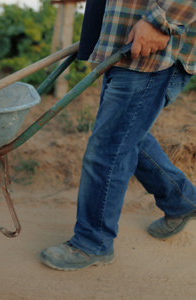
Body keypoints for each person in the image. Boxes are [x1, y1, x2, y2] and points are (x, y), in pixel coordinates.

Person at [40, 0, 195, 271]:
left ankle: (92, 243)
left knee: (108, 149)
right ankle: (181, 201)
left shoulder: (157, 27)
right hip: (125, 46)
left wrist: (161, 21)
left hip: (152, 49)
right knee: (126, 136)